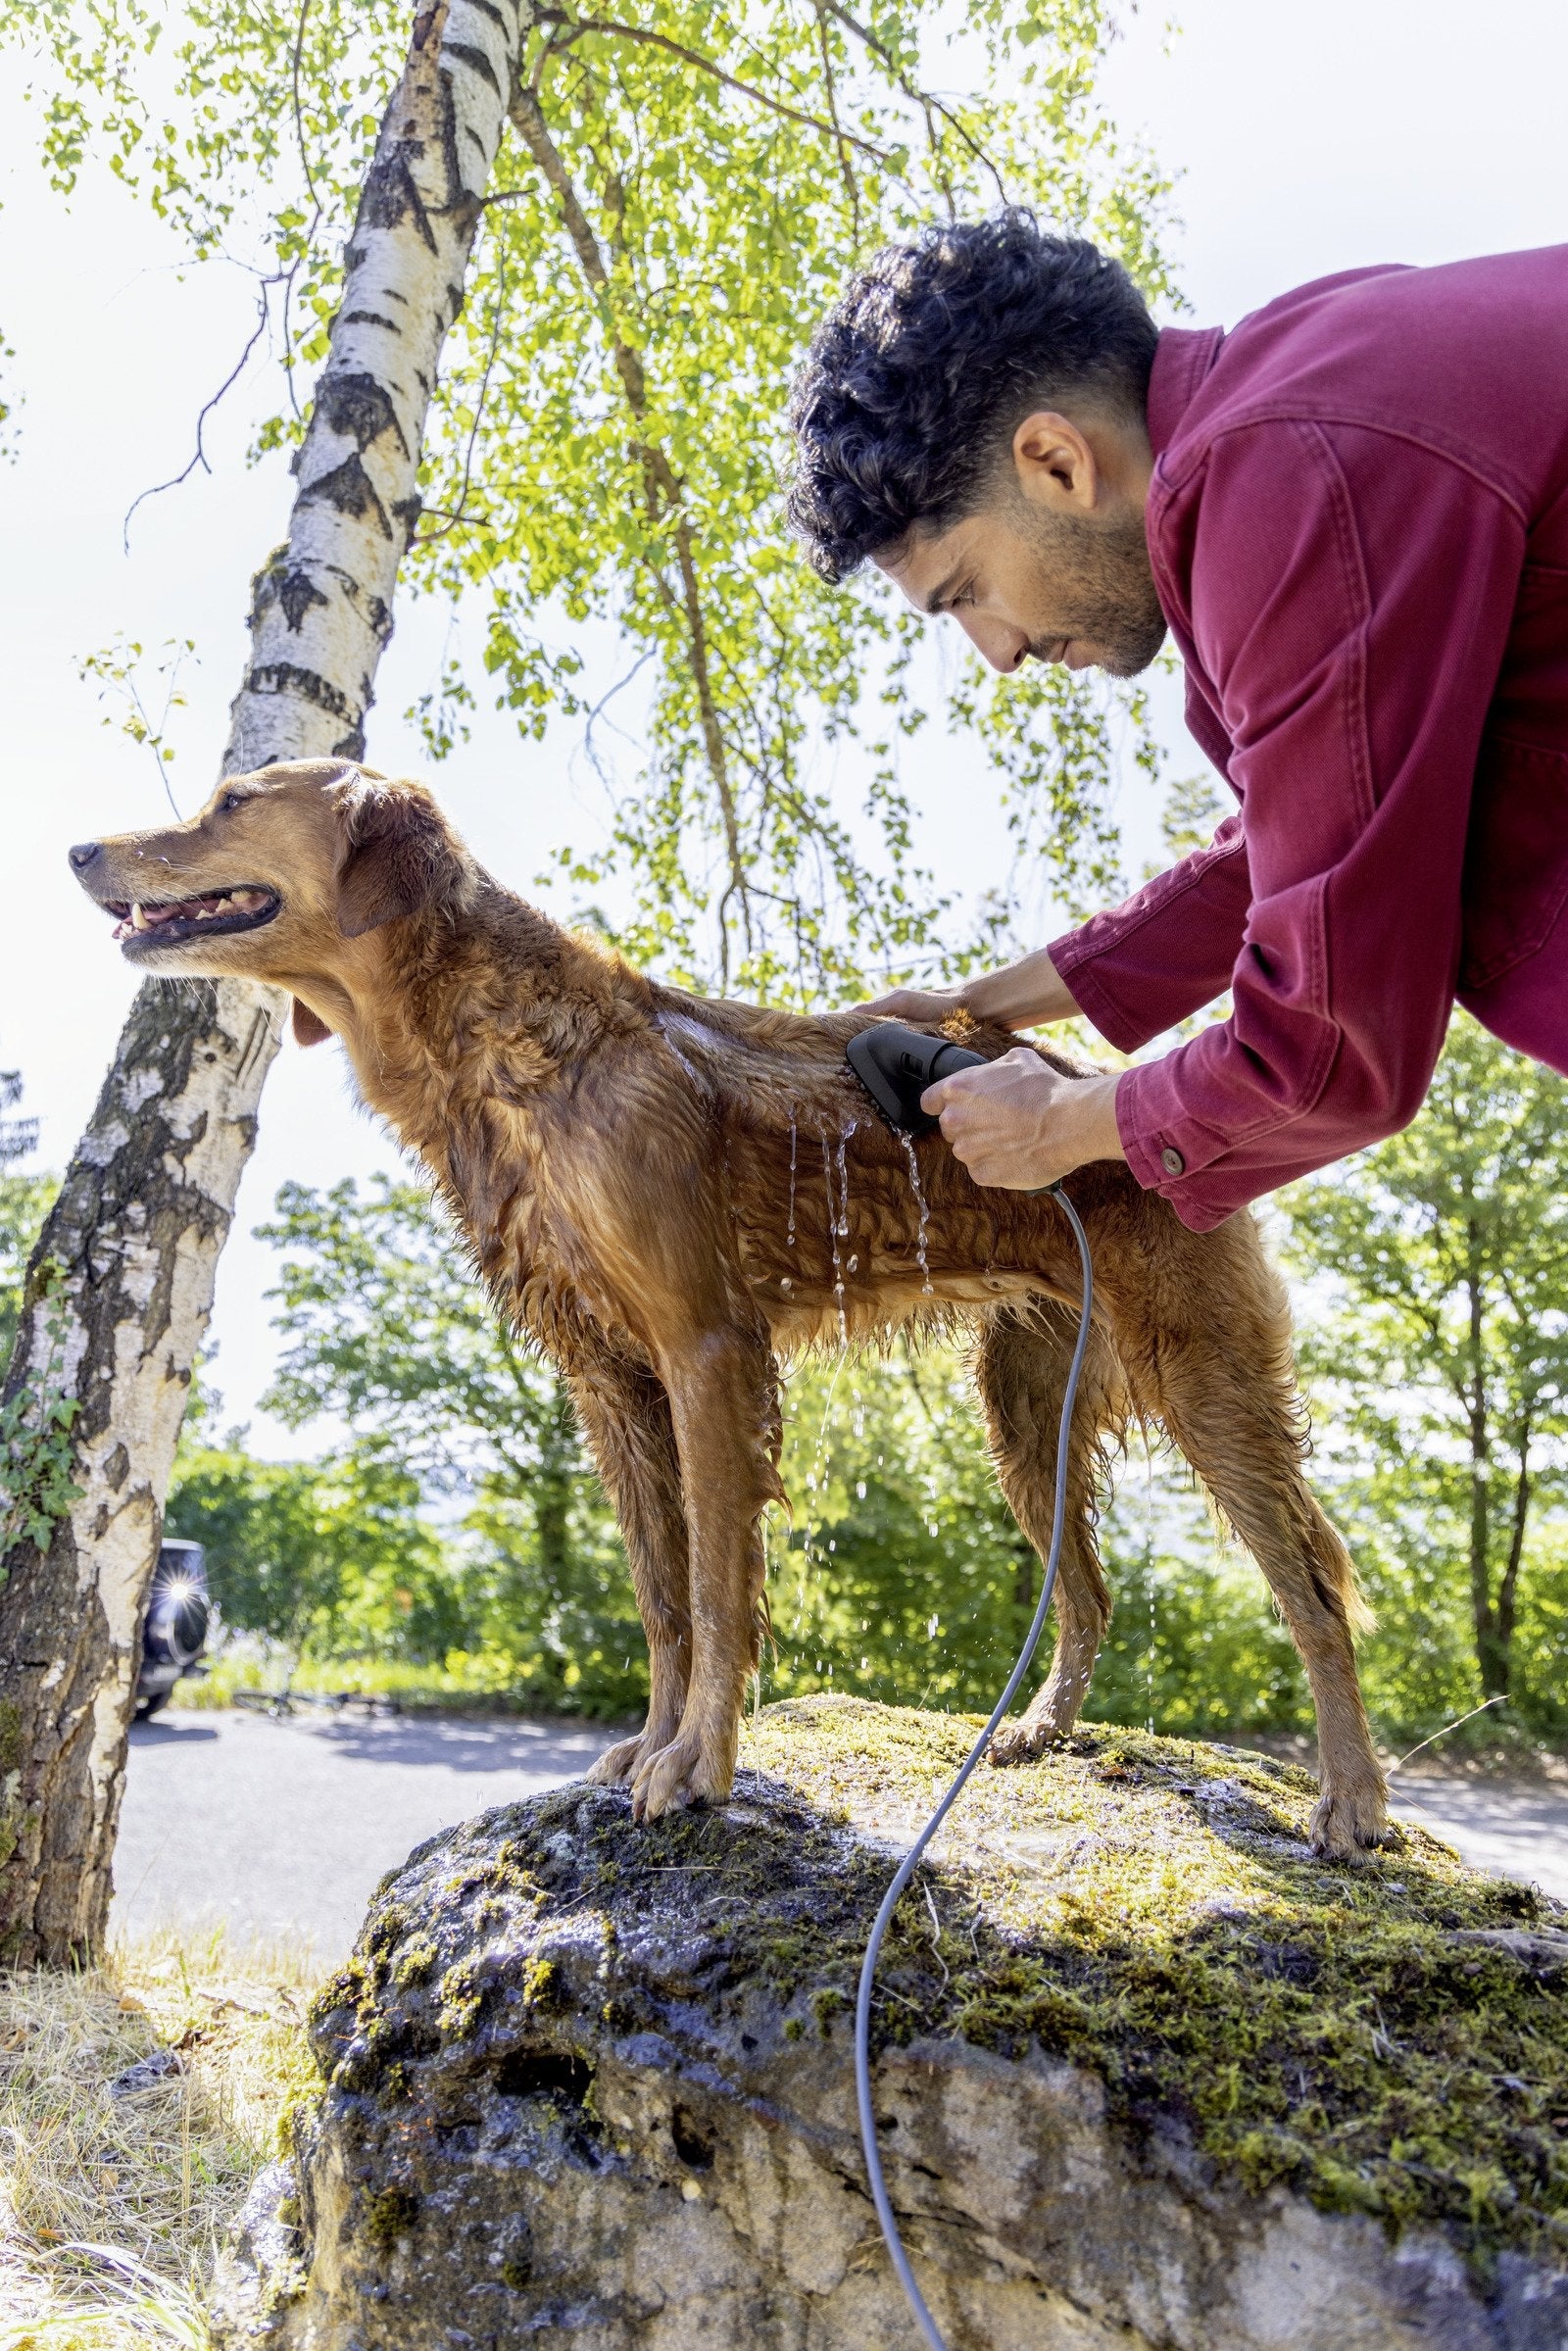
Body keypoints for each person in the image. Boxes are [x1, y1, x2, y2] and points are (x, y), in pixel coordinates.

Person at [785, 213, 1568, 1231]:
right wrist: (975, 1008)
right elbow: (1311, 840)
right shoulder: (1303, 395)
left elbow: (1329, 1043)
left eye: (965, 591)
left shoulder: (1287, 482)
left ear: (1055, 462)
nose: (998, 653)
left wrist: (1063, 1122)